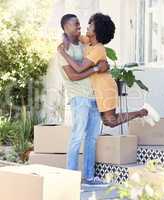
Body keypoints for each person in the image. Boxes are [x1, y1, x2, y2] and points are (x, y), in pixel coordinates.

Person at [58, 13, 148, 128]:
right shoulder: (89, 41)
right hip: (97, 89)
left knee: (110, 121)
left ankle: (141, 112)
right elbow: (71, 34)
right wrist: (64, 36)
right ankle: (140, 112)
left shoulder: (98, 49)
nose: (87, 26)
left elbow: (79, 69)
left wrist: (63, 53)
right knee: (107, 121)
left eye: (91, 25)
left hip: (105, 88)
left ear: (96, 32)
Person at [57, 14, 110, 186]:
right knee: (77, 137)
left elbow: (93, 45)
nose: (80, 26)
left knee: (91, 138)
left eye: (81, 23)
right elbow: (73, 76)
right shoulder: (61, 51)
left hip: (94, 97)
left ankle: (88, 177)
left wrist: (100, 66)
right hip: (79, 98)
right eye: (75, 24)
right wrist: (95, 68)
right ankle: (70, 179)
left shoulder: (84, 43)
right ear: (66, 28)